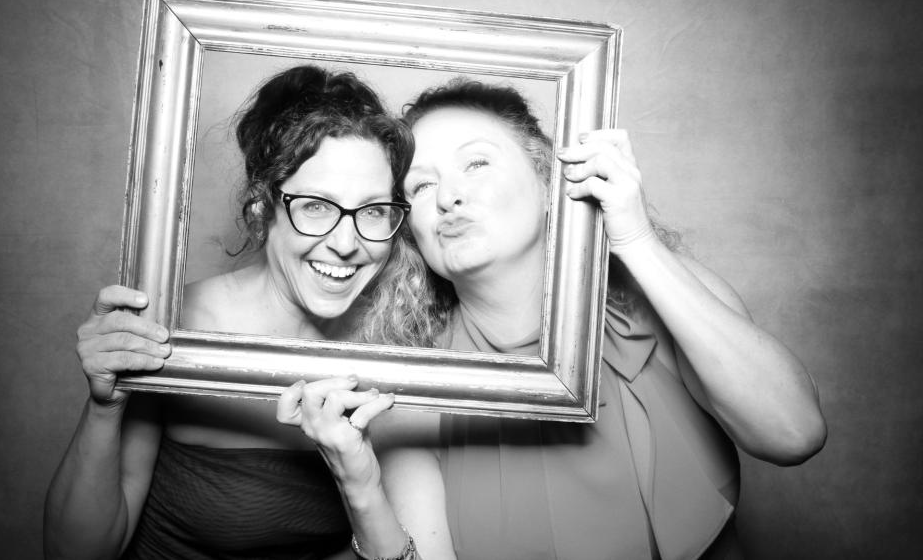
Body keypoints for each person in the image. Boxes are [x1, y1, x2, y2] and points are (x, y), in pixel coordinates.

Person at [288, 79, 828, 559]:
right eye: (421, 186)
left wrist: (635, 239)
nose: (448, 197)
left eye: (476, 163)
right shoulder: (416, 390)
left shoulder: (657, 301)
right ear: (413, 232)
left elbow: (794, 434)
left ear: (548, 181)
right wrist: (360, 487)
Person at [43, 65, 423, 560]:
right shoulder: (175, 327)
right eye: (315, 206)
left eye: (372, 210)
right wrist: (104, 408)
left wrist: (360, 484)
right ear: (263, 207)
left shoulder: (399, 343)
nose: (347, 243)